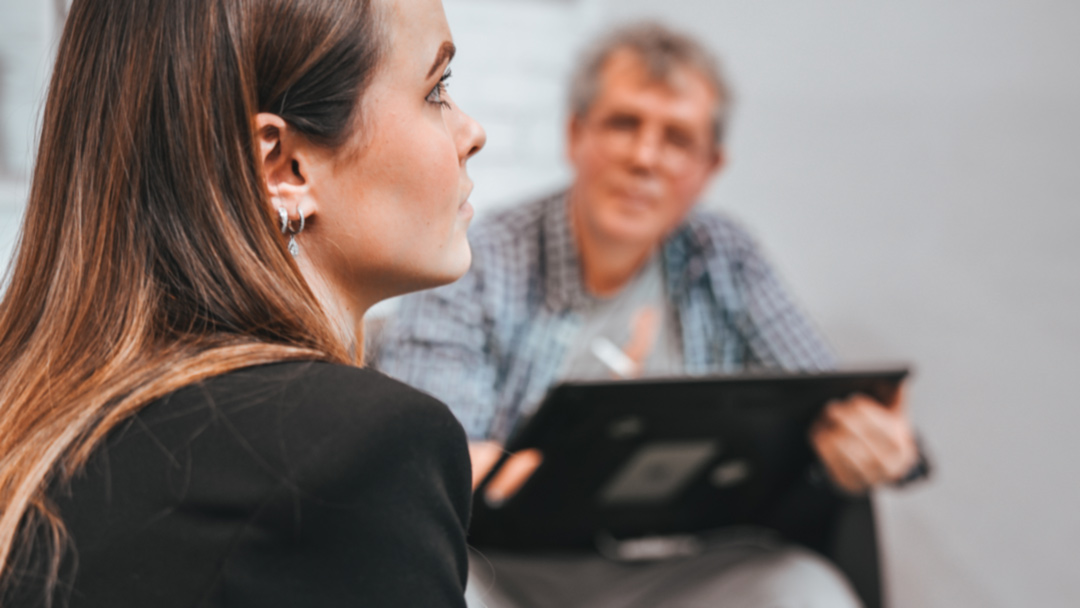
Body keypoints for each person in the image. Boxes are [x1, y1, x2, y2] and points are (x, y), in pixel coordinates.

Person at [376, 22, 927, 608]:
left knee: (805, 590)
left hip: (672, 571)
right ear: (575, 134)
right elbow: (427, 452)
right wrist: (471, 463)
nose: (644, 158)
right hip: (507, 569)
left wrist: (876, 441)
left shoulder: (726, 256)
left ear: (710, 167)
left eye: (677, 139)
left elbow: (824, 400)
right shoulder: (481, 258)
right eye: (624, 124)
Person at [0, 0, 485, 606]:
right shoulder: (355, 453)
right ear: (284, 166)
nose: (473, 133)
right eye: (436, 89)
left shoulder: (30, 416)